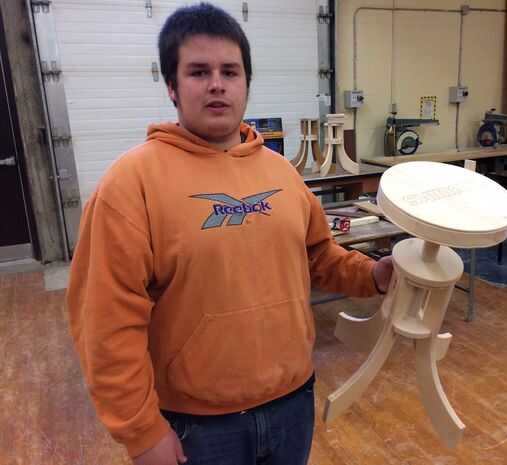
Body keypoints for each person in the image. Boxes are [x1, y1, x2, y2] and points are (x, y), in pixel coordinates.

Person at [66, 3, 393, 465]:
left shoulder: (282, 173)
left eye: (230, 71)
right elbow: (104, 320)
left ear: (246, 83)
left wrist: (374, 274)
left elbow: (319, 257)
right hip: (197, 426)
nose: (217, 84)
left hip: (292, 403)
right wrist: (141, 432)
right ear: (172, 87)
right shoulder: (130, 185)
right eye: (199, 72)